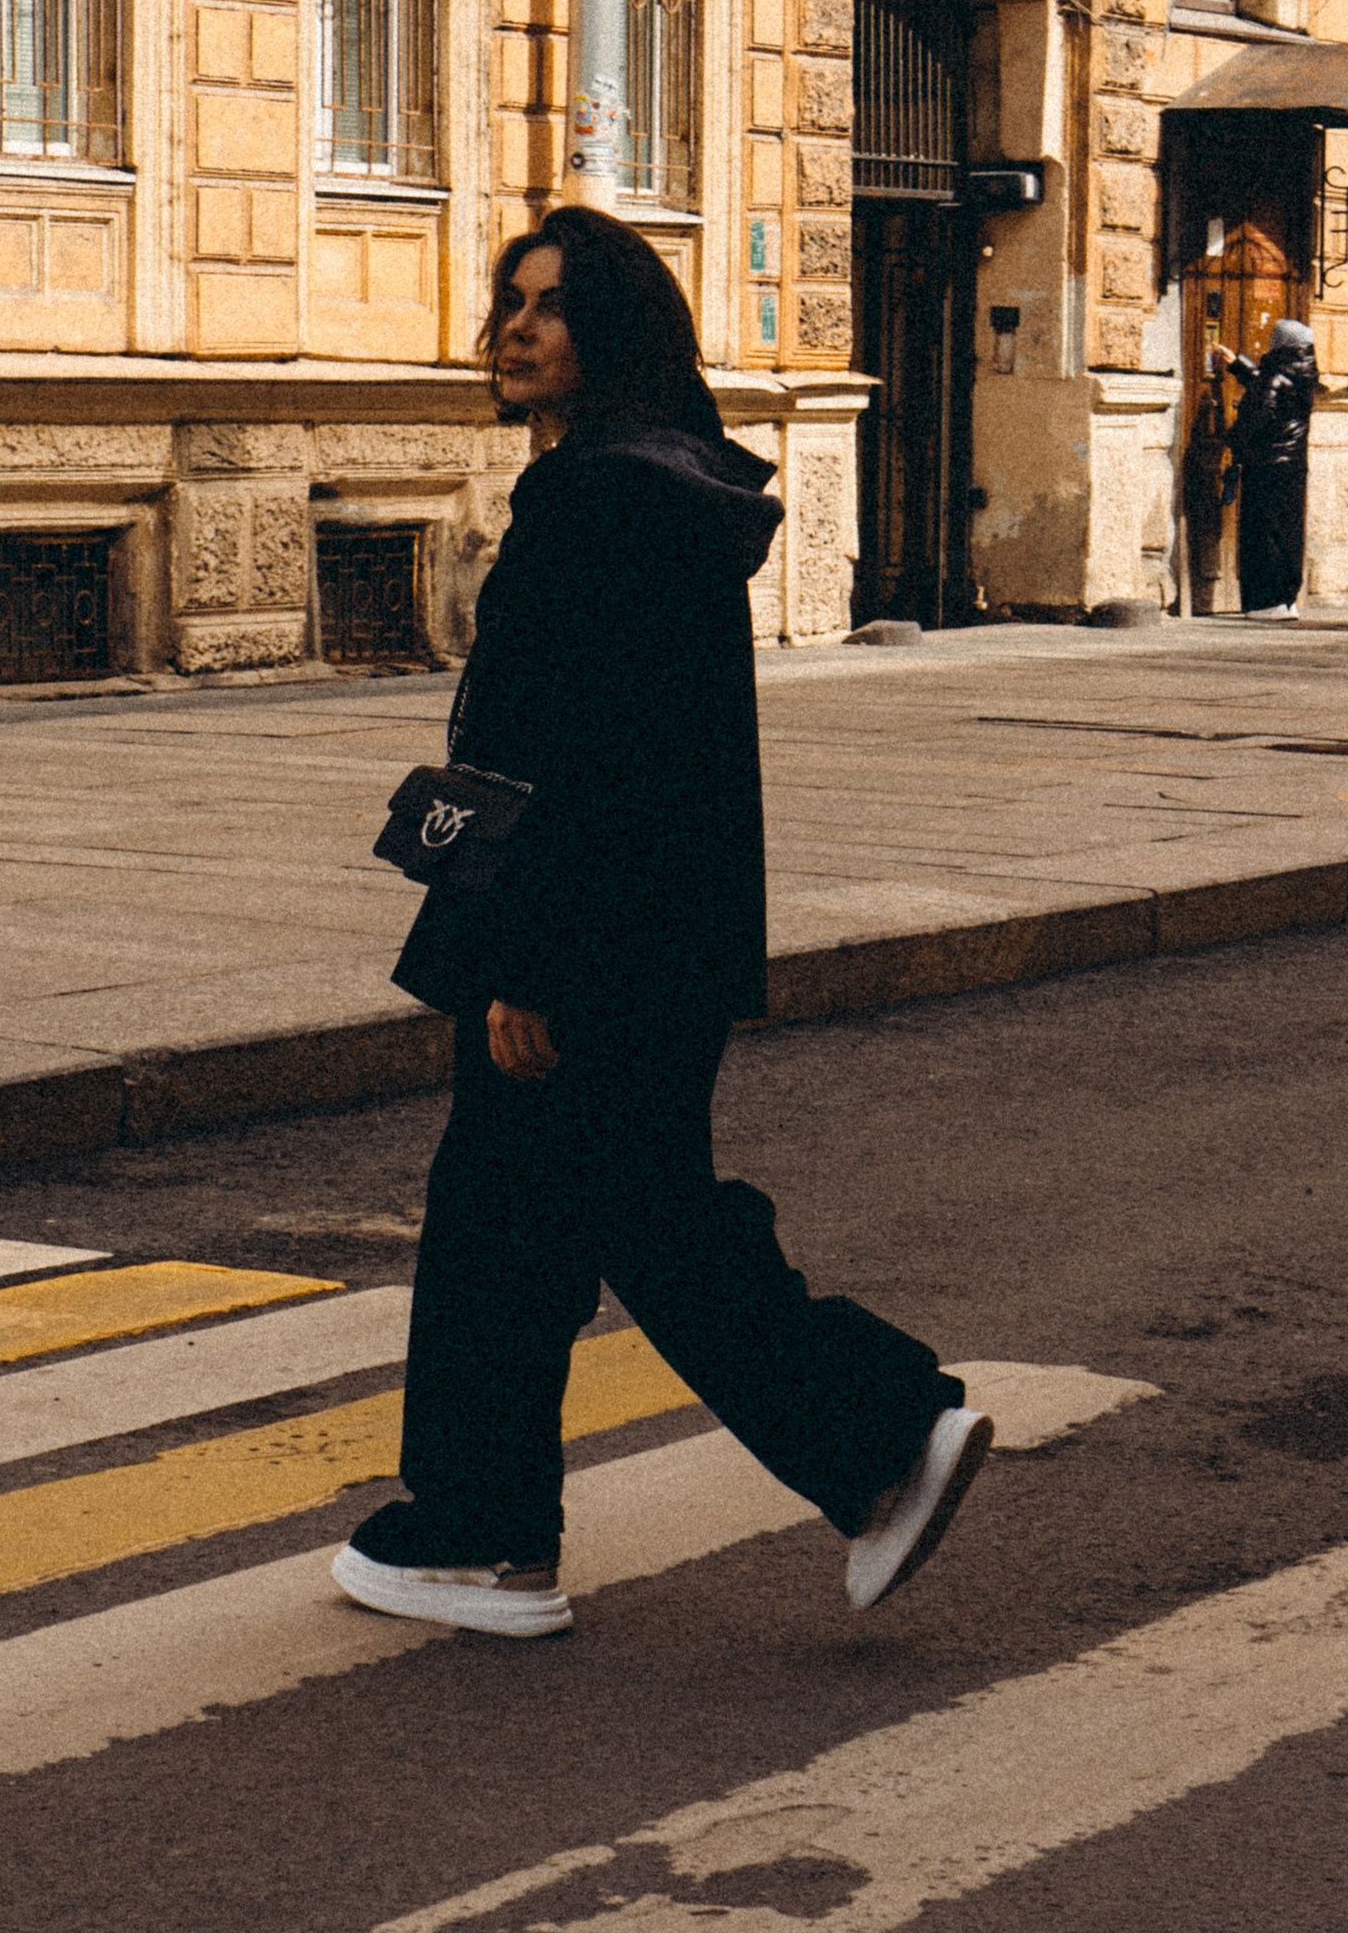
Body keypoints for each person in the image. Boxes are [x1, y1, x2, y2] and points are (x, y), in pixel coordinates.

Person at [332, 208, 991, 1643]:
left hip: (587, 944)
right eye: (509, 301)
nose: (515, 329)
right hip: (652, 936)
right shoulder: (657, 483)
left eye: (551, 307)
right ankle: (494, 1526)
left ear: (615, 332)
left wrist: (526, 963)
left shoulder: (601, 502)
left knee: (590, 1224)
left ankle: (867, 1437)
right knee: (542, 1228)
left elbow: (586, 758)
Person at [1206, 317, 1316, 616]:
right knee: (1287, 531)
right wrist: (1239, 366)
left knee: (1263, 531)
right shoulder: (1303, 374)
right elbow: (1272, 388)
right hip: (1293, 465)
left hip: (1267, 465)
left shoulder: (1274, 376)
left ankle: (1266, 601)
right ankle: (1287, 600)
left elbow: (1259, 412)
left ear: (1280, 344)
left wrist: (1228, 439)